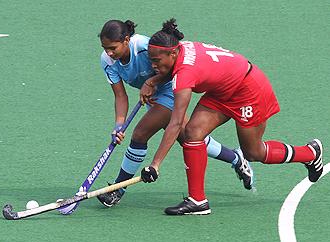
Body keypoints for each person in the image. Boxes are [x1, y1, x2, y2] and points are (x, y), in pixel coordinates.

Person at [140, 18, 324, 215]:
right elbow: (178, 67)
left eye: (156, 61)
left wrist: (155, 165)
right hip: (222, 91)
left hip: (249, 90)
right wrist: (155, 79)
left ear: (173, 52)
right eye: (151, 60)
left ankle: (310, 153)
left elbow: (175, 123)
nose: (152, 65)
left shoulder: (185, 73)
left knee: (253, 152)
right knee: (193, 132)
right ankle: (198, 201)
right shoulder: (179, 47)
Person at [95, 20, 255, 208]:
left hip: (171, 89)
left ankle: (117, 190)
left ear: (126, 40)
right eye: (105, 48)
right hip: (153, 97)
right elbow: (120, 96)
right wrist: (119, 125)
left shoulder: (143, 46)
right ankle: (236, 158)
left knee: (140, 134)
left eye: (113, 48)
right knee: (189, 137)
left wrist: (152, 81)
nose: (109, 53)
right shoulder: (107, 61)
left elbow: (174, 66)